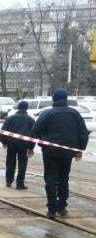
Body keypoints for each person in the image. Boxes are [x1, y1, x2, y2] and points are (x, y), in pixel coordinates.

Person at [32, 89, 90, 219]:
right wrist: (80, 150)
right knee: (64, 178)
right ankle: (62, 207)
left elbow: (34, 131)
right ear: (66, 99)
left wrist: (36, 144)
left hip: (50, 152)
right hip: (67, 152)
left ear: (53, 99)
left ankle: (52, 209)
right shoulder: (75, 114)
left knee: (51, 179)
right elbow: (83, 133)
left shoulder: (47, 113)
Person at [0, 101, 36, 189]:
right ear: (26, 108)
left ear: (18, 108)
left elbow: (3, 131)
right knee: (22, 165)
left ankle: (9, 181)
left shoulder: (10, 118)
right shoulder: (31, 120)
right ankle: (20, 184)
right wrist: (31, 147)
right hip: (24, 145)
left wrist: (4, 142)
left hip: (11, 144)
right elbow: (33, 135)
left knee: (10, 163)